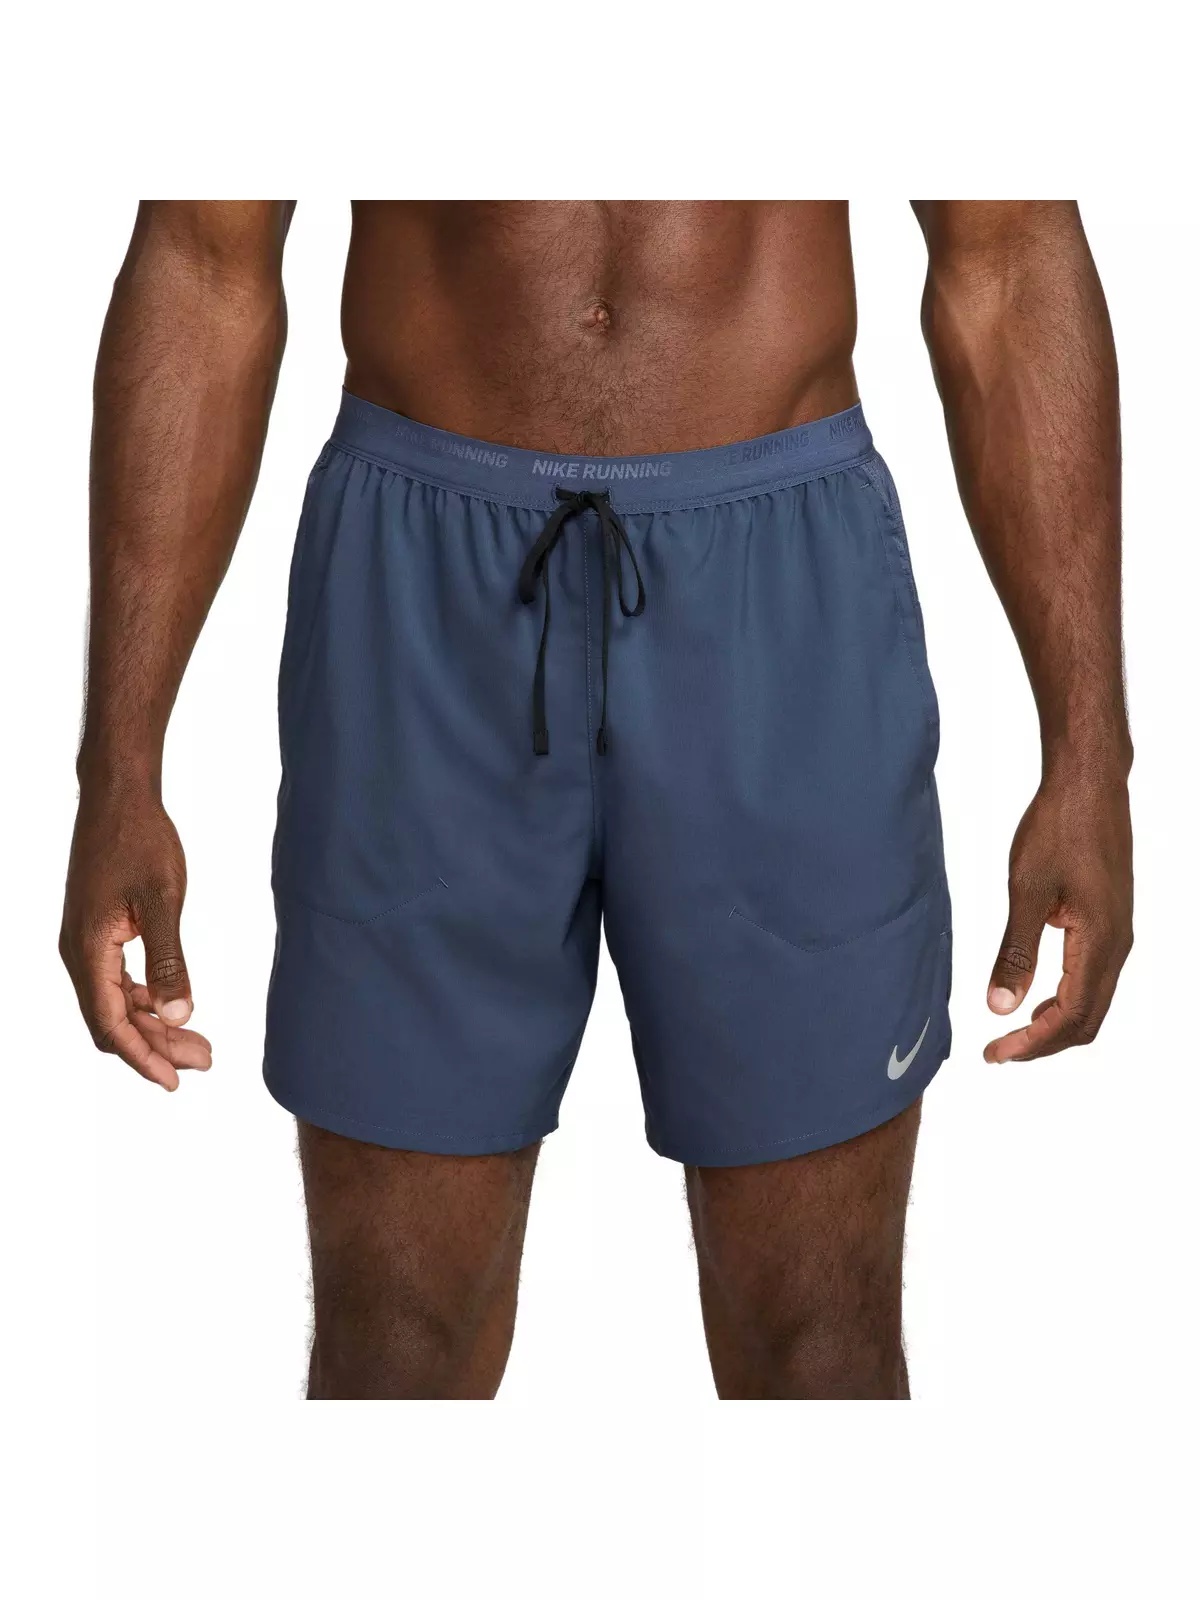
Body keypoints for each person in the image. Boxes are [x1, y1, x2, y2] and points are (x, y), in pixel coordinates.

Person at [60, 202, 1133, 1399]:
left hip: (777, 582)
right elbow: (205, 262)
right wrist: (120, 767)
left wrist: (1090, 752)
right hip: (425, 590)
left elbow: (1008, 255)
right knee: (394, 1355)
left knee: (821, 1346)